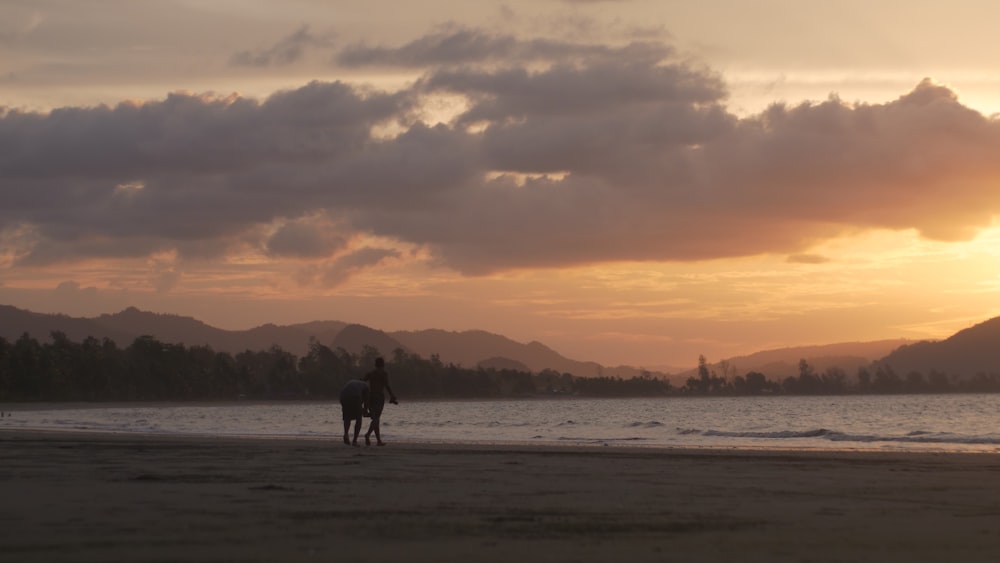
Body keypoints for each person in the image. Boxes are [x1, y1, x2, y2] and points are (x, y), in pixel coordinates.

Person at [363, 357, 398, 446]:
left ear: (375, 364)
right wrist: (392, 395)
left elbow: (362, 381)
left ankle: (378, 441)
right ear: (383, 364)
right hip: (379, 397)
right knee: (376, 418)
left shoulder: (370, 373)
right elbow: (387, 386)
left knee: (375, 419)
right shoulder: (383, 373)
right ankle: (368, 435)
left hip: (370, 397)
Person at [339, 379, 370, 447]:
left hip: (343, 396)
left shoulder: (353, 382)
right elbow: (366, 401)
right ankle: (354, 441)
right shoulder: (366, 386)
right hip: (355, 396)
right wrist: (365, 411)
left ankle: (346, 434)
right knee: (359, 419)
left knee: (347, 417)